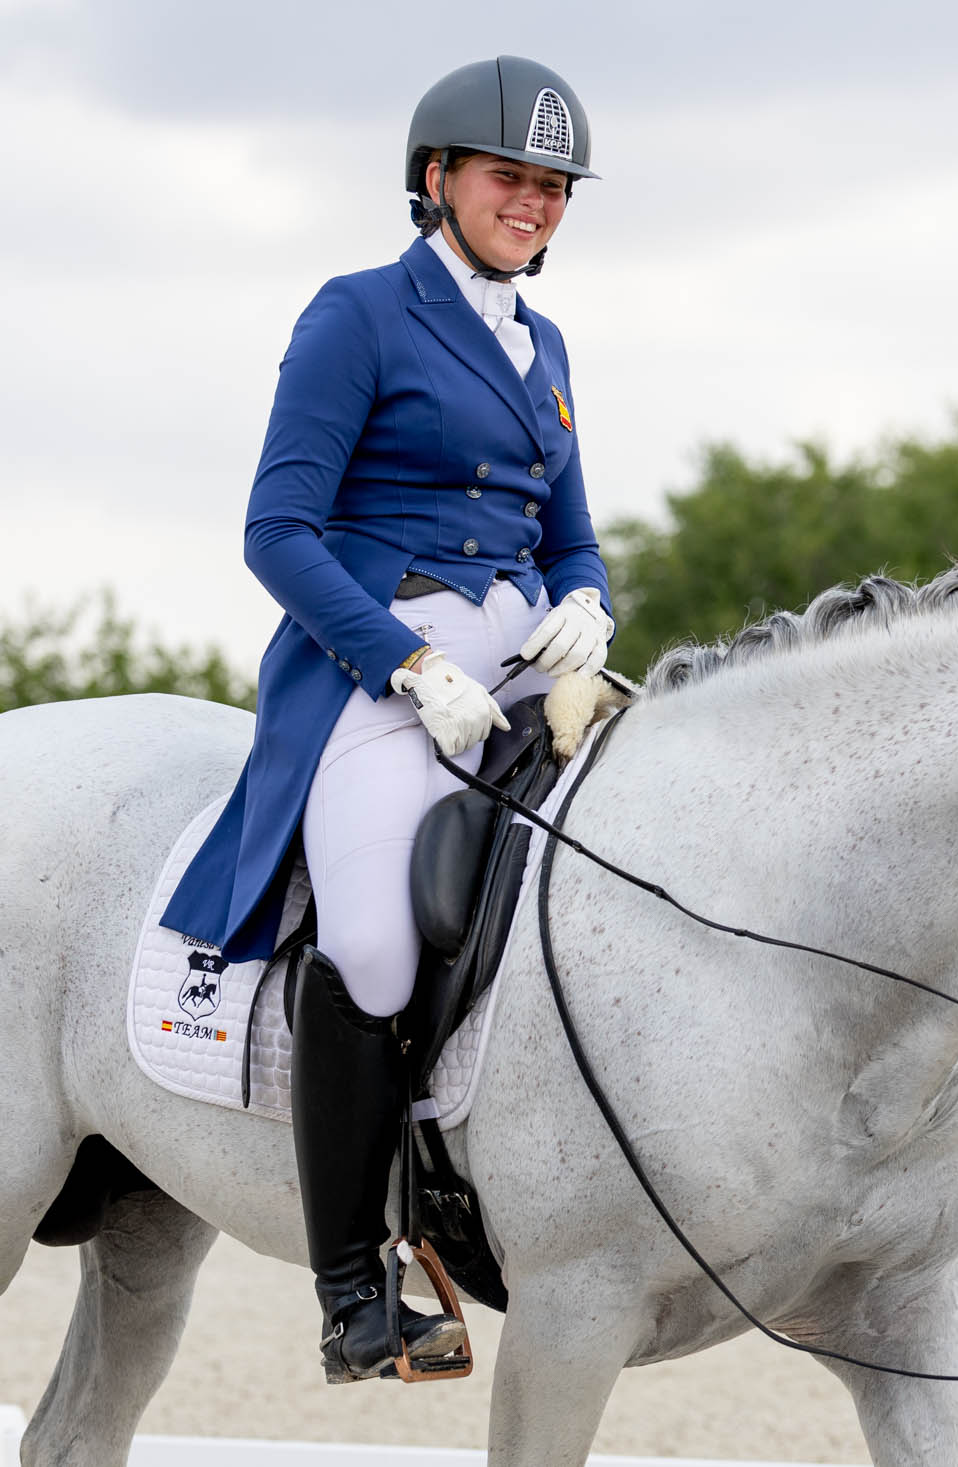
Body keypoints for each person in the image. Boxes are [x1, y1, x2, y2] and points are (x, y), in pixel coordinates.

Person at [158, 55, 615, 1384]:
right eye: (508, 179)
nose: (533, 204)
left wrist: (588, 600)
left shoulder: (550, 345)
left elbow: (573, 534)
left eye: (552, 187)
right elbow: (275, 532)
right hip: (384, 670)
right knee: (368, 943)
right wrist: (407, 669)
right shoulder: (357, 314)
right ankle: (354, 1289)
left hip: (528, 666)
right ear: (437, 181)